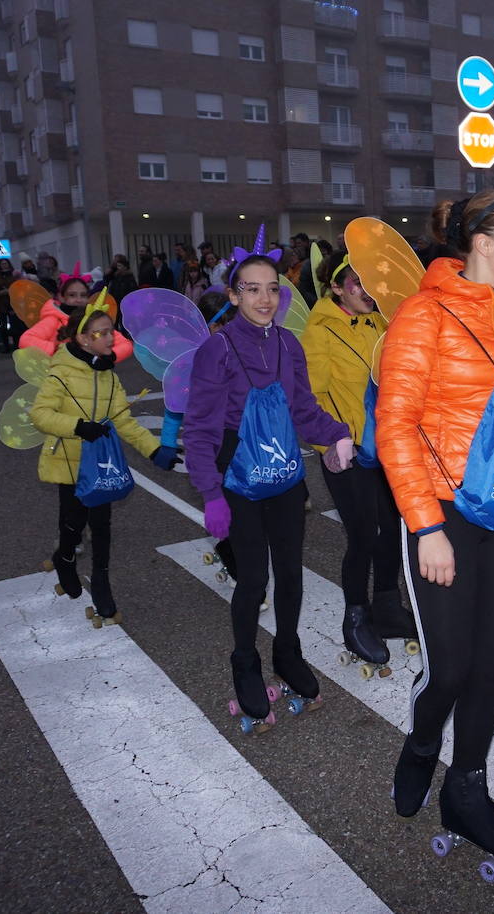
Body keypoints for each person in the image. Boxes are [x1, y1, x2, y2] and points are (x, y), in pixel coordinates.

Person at [378, 185, 494, 867]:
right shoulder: (422, 316)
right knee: (449, 668)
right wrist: (426, 526)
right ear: (482, 245)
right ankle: (424, 744)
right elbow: (393, 425)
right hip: (443, 513)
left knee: (492, 663)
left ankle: (468, 786)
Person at [184, 253, 353, 729]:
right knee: (254, 578)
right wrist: (211, 494)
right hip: (237, 479)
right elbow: (198, 430)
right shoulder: (215, 351)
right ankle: (244, 660)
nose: (265, 298)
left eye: (273, 288)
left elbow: (304, 408)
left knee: (292, 574)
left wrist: (336, 433)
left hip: (283, 476)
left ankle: (287, 649)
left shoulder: (287, 345)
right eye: (253, 289)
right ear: (234, 295)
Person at [29, 301, 180, 622]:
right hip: (69, 463)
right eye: (103, 332)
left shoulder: (108, 375)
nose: (112, 338)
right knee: (72, 523)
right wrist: (78, 427)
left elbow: (123, 421)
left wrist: (156, 451)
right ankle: (65, 558)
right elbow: (39, 415)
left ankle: (101, 583)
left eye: (112, 331)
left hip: (100, 465)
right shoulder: (61, 373)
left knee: (102, 525)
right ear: (83, 339)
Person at [300, 250, 414, 668]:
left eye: (371, 282)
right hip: (346, 451)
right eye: (357, 283)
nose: (368, 291)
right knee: (363, 534)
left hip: (387, 446)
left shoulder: (381, 321)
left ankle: (387, 604)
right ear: (335, 287)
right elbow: (307, 398)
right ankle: (356, 614)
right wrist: (329, 442)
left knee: (394, 527)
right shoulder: (319, 332)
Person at [19, 266, 135, 361]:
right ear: (62, 297)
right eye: (72, 295)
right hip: (63, 380)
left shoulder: (94, 320)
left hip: (94, 378)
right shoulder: (54, 319)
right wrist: (59, 351)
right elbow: (26, 340)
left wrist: (106, 356)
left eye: (83, 295)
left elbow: (125, 344)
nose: (78, 300)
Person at [0, 259, 19, 351]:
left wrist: (10, 291)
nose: (4, 265)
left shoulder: (14, 274)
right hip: (0, 303)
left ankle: (16, 345)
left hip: (12, 303)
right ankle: (5, 346)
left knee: (14, 326)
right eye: (2, 264)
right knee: (3, 326)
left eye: (5, 263)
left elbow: (19, 286)